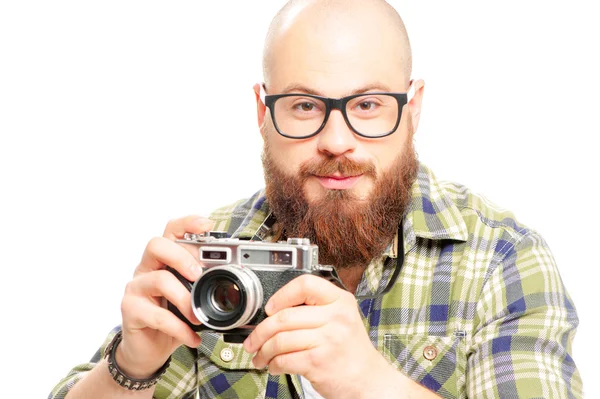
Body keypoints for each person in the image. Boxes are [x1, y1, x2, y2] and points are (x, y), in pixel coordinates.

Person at [49, 0, 582, 398]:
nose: (335, 139)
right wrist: (131, 365)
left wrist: (367, 381)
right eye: (305, 106)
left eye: (368, 104)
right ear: (263, 114)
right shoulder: (209, 257)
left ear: (412, 108)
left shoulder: (503, 260)